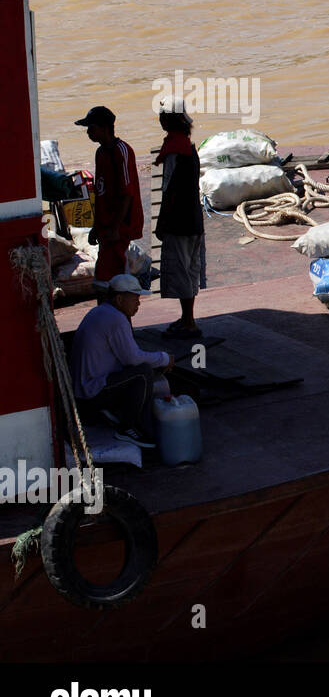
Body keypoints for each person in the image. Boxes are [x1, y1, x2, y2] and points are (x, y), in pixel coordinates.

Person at [71, 273, 174, 447]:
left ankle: (118, 414)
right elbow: (132, 358)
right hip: (91, 393)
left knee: (143, 368)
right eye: (134, 299)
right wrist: (163, 359)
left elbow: (126, 356)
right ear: (119, 299)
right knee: (142, 374)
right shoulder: (115, 318)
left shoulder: (102, 311)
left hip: (86, 388)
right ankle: (128, 427)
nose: (138, 304)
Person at [74, 106, 143, 290]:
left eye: (91, 127)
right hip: (107, 226)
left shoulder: (122, 151)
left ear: (105, 128)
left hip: (119, 227)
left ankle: (116, 315)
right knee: (110, 277)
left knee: (109, 280)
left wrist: (114, 228)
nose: (88, 132)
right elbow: (101, 193)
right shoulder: (101, 153)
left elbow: (127, 194)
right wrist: (97, 226)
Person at [154, 97, 207, 338]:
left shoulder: (175, 149)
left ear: (168, 120)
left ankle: (188, 322)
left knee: (182, 269)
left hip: (180, 221)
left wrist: (161, 223)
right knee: (190, 268)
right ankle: (188, 318)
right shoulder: (188, 146)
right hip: (194, 218)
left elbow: (169, 190)